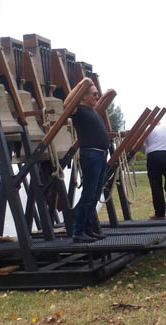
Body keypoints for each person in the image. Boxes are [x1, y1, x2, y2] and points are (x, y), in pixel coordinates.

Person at [70, 85, 110, 243]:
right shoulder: (78, 109)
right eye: (94, 94)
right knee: (88, 194)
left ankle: (87, 229)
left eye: (97, 94)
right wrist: (84, 82)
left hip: (100, 155)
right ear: (83, 96)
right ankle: (78, 231)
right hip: (91, 155)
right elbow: (67, 103)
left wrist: (107, 93)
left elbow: (103, 98)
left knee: (94, 195)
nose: (96, 96)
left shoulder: (93, 111)